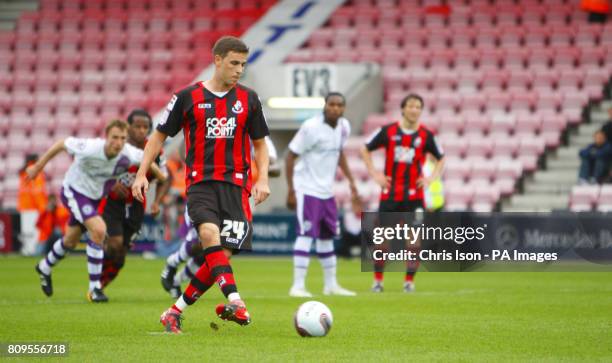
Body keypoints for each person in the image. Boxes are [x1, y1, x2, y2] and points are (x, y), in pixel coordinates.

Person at [132, 36, 270, 333]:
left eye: (243, 65)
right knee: (208, 234)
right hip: (201, 184)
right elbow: (158, 137)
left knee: (220, 256)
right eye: (234, 63)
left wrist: (264, 179)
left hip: (237, 187)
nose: (239, 70)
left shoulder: (249, 99)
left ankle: (174, 311)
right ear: (217, 60)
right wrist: (142, 172)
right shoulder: (186, 97)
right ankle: (236, 300)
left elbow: (260, 145)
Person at [30, 120, 164, 302]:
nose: (118, 142)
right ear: (106, 137)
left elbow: (147, 161)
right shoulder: (90, 147)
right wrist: (38, 167)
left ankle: (44, 267)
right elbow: (62, 144)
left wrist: (158, 176)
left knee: (70, 240)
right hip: (74, 191)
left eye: (122, 138)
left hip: (94, 198)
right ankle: (94, 289)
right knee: (99, 230)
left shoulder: (127, 153)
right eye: (114, 137)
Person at [160, 135, 279, 299]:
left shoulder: (259, 137)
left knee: (216, 253)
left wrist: (262, 171)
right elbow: (185, 150)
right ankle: (172, 264)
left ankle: (177, 280)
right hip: (210, 192)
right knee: (201, 240)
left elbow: (272, 163)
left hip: (242, 200)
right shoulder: (222, 125)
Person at [361, 93, 445, 293]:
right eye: (411, 106)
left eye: (418, 107)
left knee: (414, 240)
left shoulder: (426, 135)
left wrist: (430, 178)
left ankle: (409, 282)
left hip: (414, 197)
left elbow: (441, 157)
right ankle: (378, 281)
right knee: (382, 240)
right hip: (389, 195)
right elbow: (365, 148)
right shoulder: (388, 131)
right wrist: (375, 174)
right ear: (403, 109)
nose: (415, 110)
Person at [286, 92, 359, 297]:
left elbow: (339, 153)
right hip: (307, 189)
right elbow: (290, 157)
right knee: (305, 235)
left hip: (327, 192)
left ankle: (331, 285)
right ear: (325, 106)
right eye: (331, 104)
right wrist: (291, 190)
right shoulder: (310, 127)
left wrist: (352, 181)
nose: (335, 108)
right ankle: (298, 286)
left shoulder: (344, 127)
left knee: (327, 238)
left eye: (339, 105)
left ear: (343, 108)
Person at [99, 109, 171, 291]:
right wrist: (110, 184)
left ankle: (100, 284)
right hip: (112, 203)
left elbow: (165, 178)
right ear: (128, 127)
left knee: (121, 254)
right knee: (114, 244)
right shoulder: (115, 145)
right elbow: (94, 170)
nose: (141, 130)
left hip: (137, 205)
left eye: (145, 127)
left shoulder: (155, 151)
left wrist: (157, 202)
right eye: (137, 126)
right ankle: (95, 279)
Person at [18, 153, 48, 255]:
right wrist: (43, 206)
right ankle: (33, 251)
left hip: (24, 205)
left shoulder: (23, 172)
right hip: (34, 206)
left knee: (27, 231)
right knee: (35, 231)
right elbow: (37, 191)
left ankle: (27, 250)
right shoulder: (36, 172)